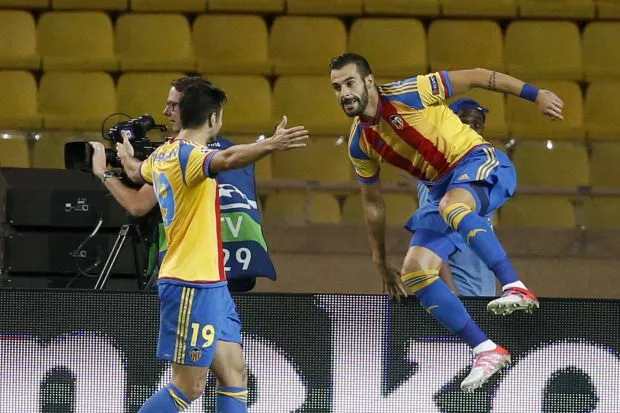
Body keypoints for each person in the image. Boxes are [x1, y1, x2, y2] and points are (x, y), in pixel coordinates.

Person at [329, 53, 564, 392]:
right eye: (337, 88)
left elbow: (479, 75)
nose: (344, 93)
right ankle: (485, 349)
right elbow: (373, 204)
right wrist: (380, 261)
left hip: (479, 162)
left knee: (453, 206)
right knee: (416, 271)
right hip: (441, 190)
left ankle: (515, 286)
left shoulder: (411, 91)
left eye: (350, 83)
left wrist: (536, 94)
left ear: (368, 81)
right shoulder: (359, 144)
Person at [120, 78, 308, 412]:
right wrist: (272, 144)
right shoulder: (189, 156)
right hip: (191, 283)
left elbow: (137, 173)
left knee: (234, 375)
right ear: (213, 119)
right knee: (188, 386)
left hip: (212, 283)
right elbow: (229, 158)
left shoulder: (164, 153)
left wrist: (124, 157)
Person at [408, 98, 496, 297]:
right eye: (465, 123)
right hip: (457, 295)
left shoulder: (480, 175)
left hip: (484, 294)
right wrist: (452, 292)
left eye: (477, 125)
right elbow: (430, 237)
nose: (471, 130)